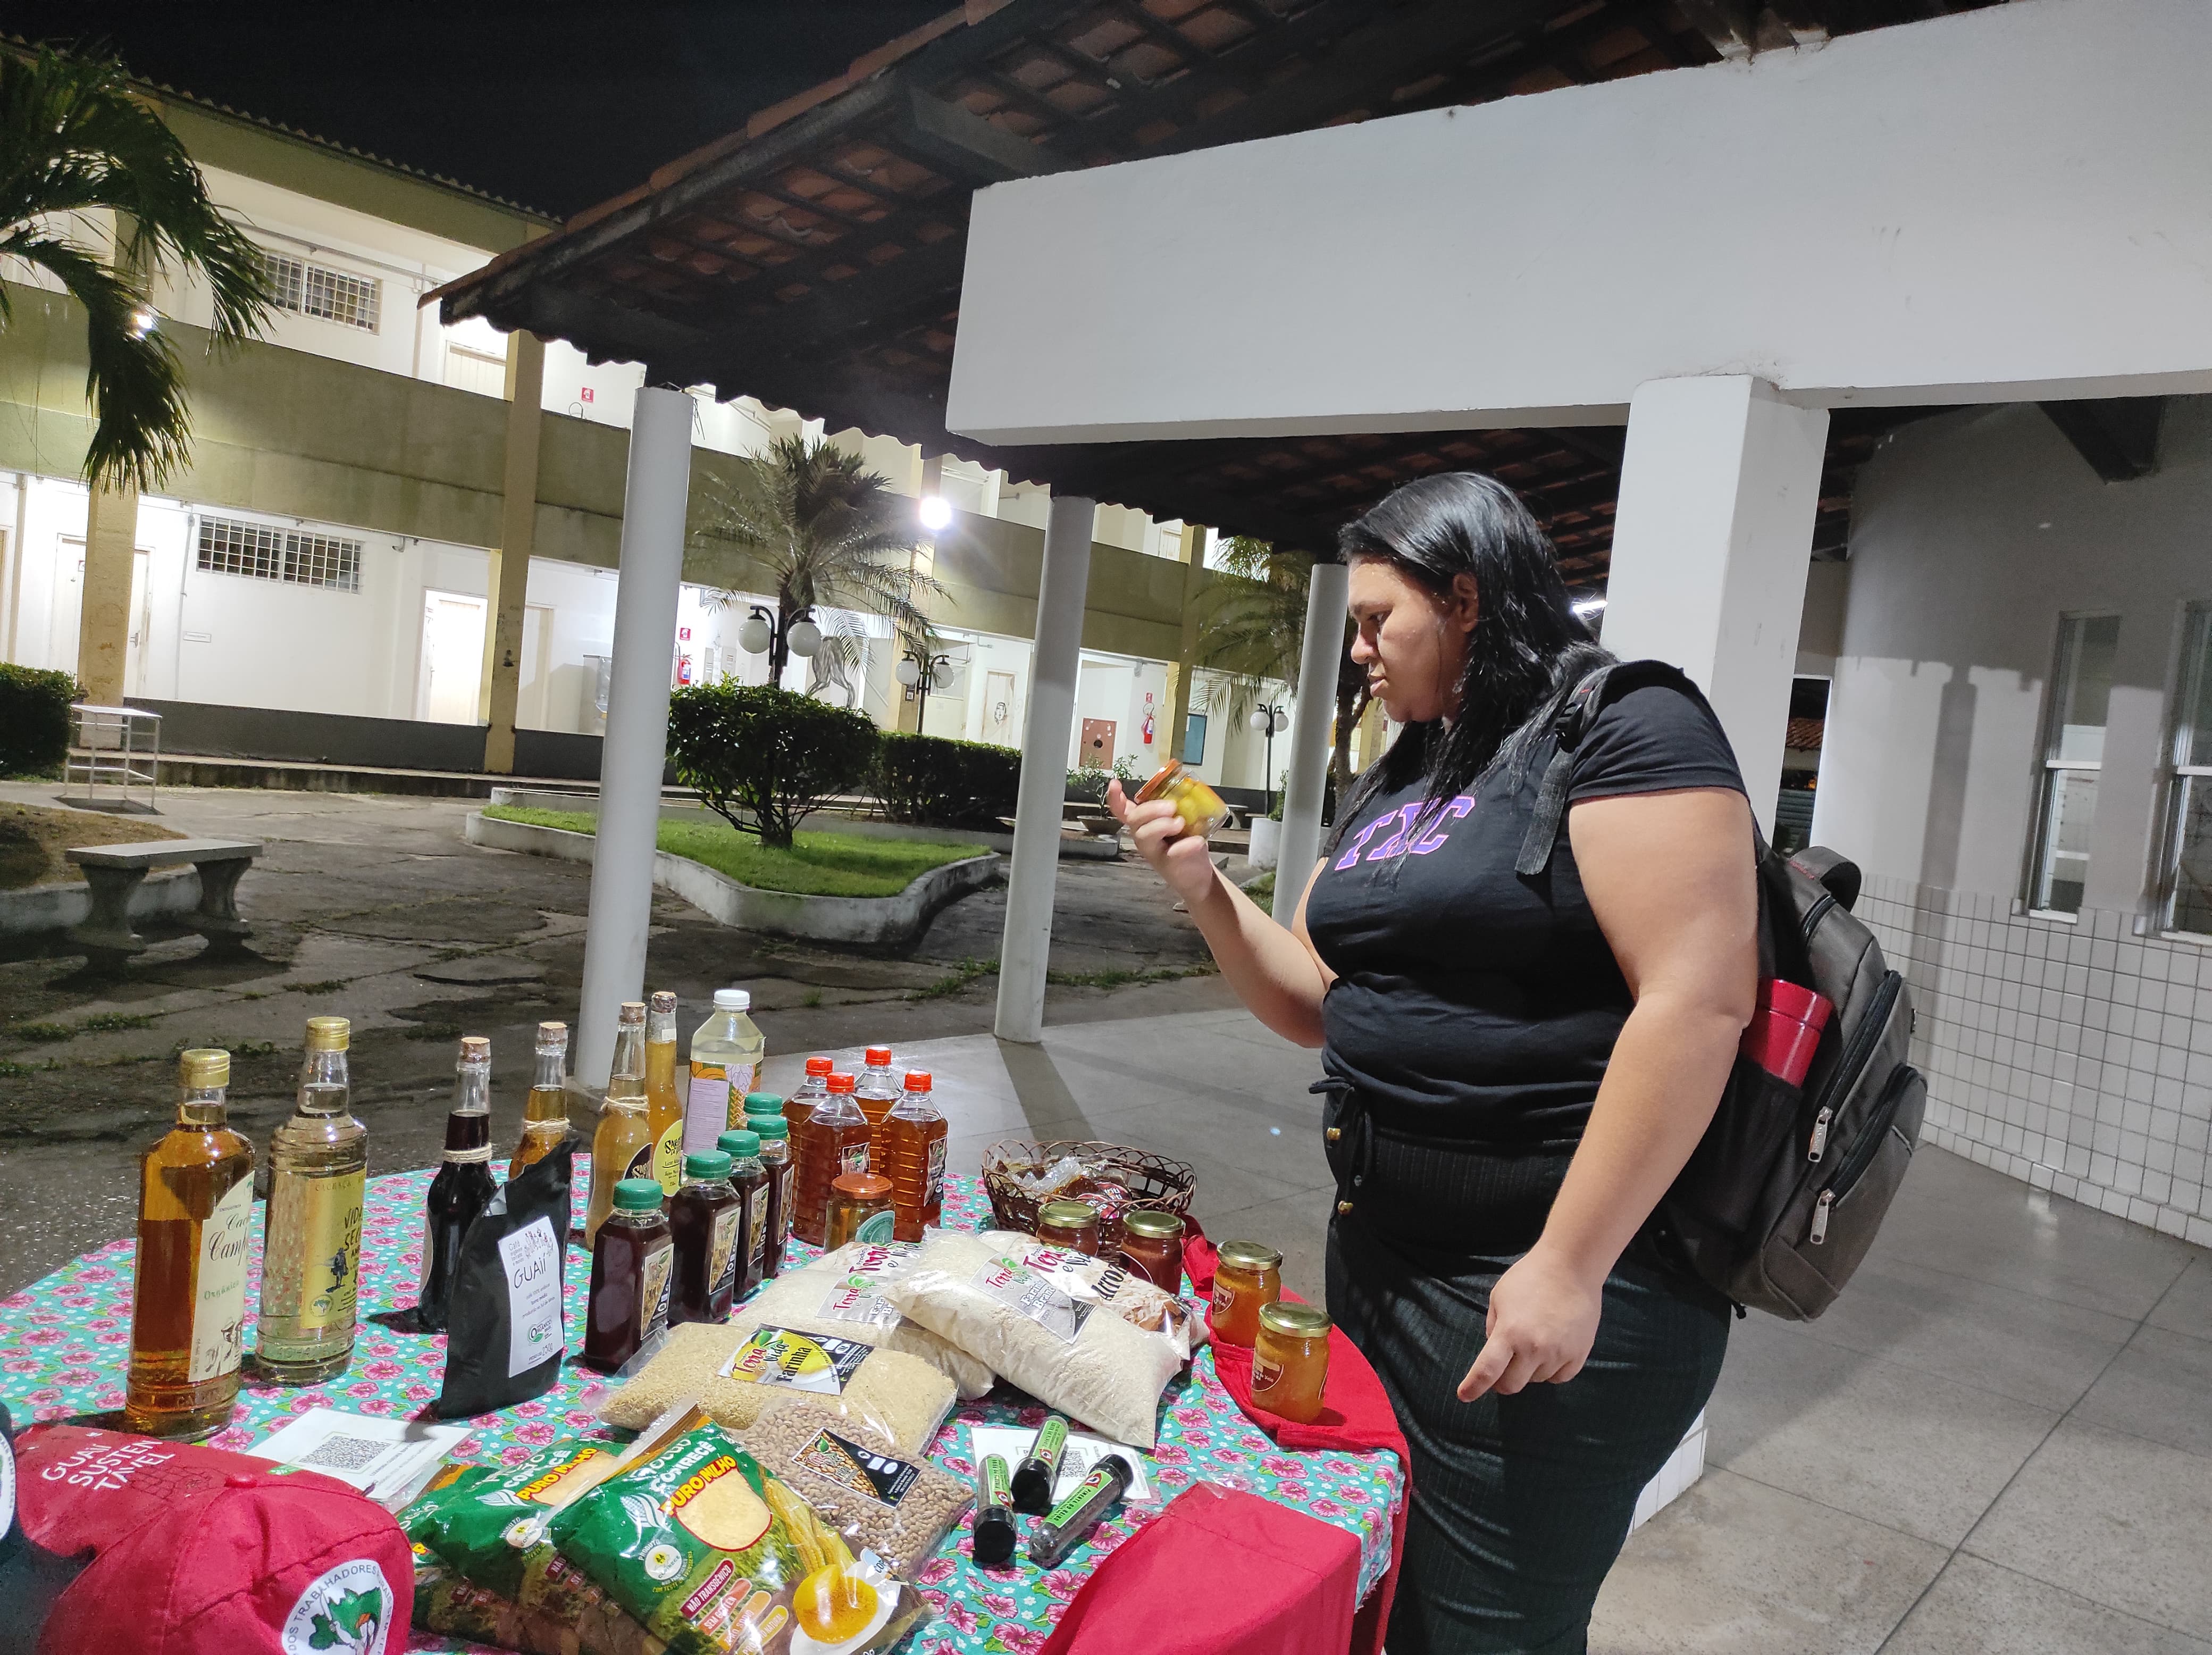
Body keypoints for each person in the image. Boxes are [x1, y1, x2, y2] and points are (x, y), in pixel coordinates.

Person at [1107, 472, 1757, 1654]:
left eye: (1376, 620)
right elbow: (1315, 996)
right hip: (1386, 1258)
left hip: (1551, 1284)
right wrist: (1203, 888)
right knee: (1383, 1592)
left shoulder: (1627, 722)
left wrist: (1568, 1262)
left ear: (1466, 596)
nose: (1358, 649)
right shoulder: (1415, 761)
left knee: (1481, 1632)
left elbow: (1699, 999)